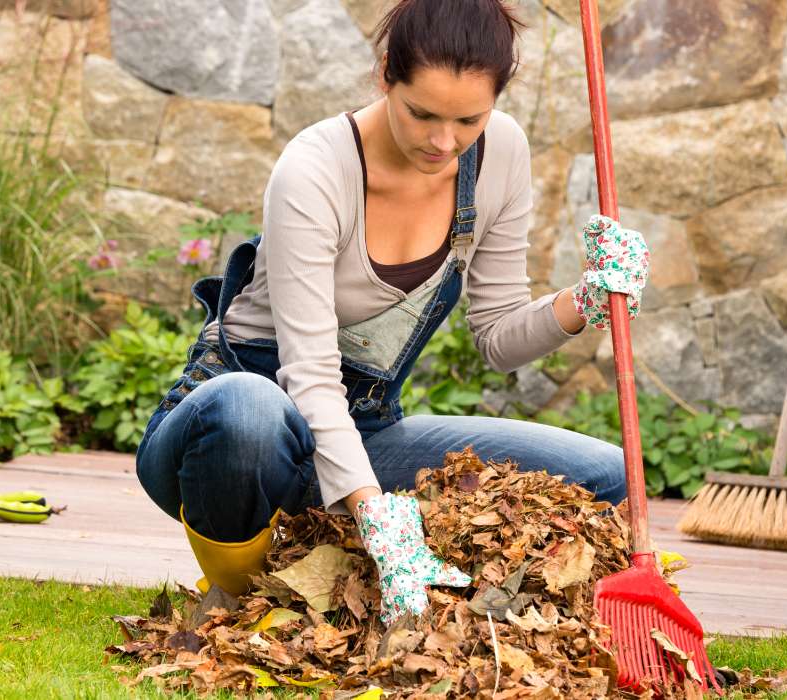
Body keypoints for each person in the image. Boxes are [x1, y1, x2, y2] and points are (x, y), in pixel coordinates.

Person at [135, 0, 649, 624]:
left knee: (606, 474)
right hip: (228, 445)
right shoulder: (315, 169)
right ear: (386, 74)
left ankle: (421, 591)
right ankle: (242, 603)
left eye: (468, 119)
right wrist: (378, 513)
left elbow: (498, 337)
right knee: (248, 408)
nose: (443, 141)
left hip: (359, 435)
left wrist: (587, 299)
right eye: (422, 113)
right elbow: (311, 377)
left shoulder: (501, 154)